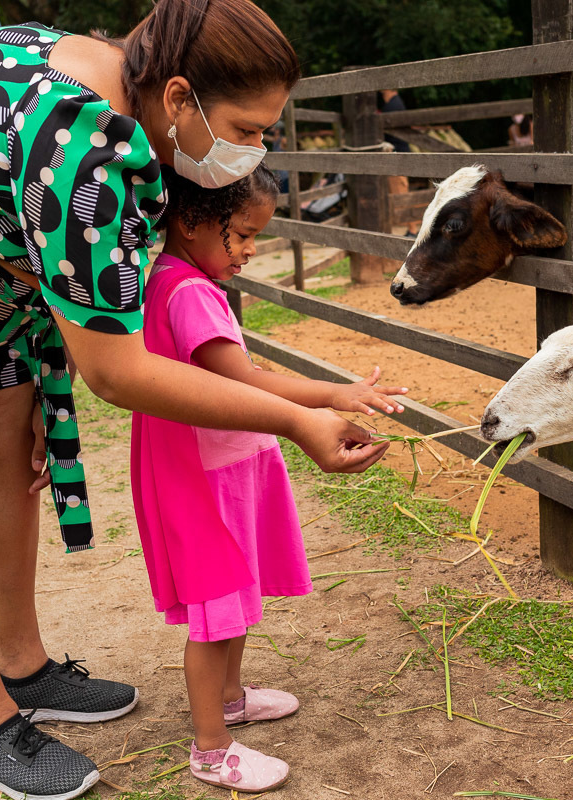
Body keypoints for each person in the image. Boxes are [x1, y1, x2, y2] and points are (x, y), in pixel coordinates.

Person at [0, 2, 389, 799]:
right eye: (248, 126)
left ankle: (21, 668)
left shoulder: (119, 81)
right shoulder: (82, 137)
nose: (256, 148)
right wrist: (297, 419)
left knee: (9, 458)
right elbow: (116, 372)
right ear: (181, 98)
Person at [134, 164, 407, 793]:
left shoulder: (178, 279)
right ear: (191, 220)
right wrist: (333, 395)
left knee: (235, 598)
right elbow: (246, 381)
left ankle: (230, 697)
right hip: (208, 476)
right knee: (218, 609)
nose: (252, 251)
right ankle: (211, 747)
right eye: (243, 234)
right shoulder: (188, 291)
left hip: (229, 461)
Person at [379, 89, 420, 235]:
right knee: (398, 192)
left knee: (401, 193)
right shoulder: (393, 104)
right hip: (397, 155)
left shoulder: (393, 106)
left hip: (397, 157)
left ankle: (413, 230)